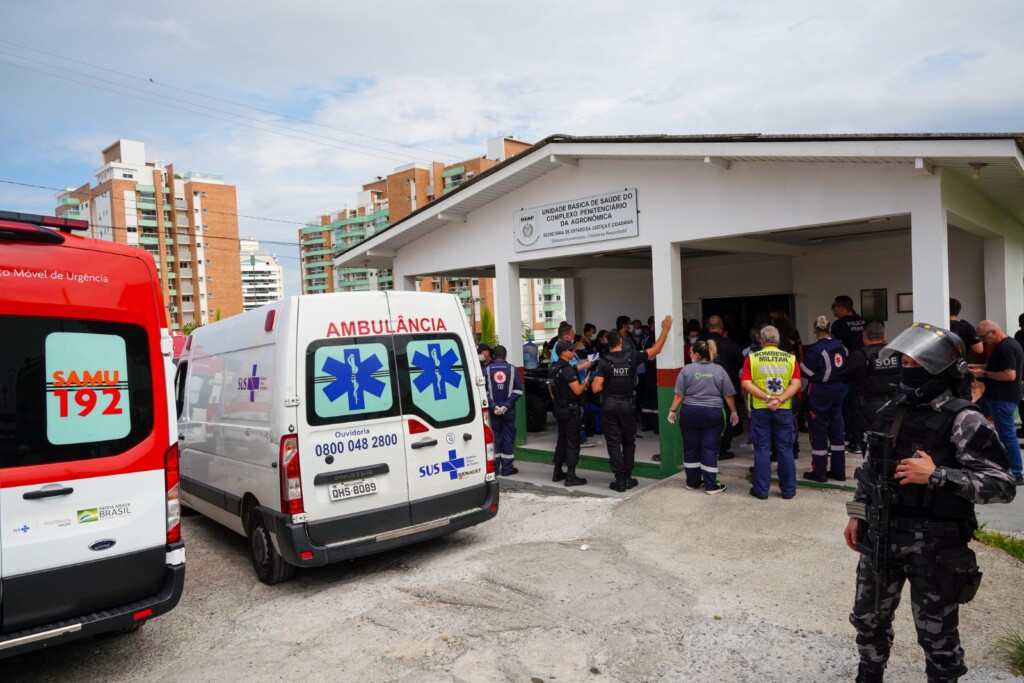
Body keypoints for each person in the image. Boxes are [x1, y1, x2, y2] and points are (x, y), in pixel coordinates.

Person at [845, 322, 1017, 683]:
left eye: (915, 362)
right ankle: (868, 676)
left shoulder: (963, 419)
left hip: (936, 545)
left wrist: (937, 475)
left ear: (941, 369)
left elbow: (1003, 485)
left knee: (938, 637)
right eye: (904, 361)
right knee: (868, 620)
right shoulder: (893, 409)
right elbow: (869, 471)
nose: (907, 367)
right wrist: (857, 515)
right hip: (882, 536)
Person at [591, 315, 673, 492]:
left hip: (609, 405)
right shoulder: (632, 356)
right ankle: (628, 478)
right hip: (627, 405)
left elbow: (595, 388)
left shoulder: (604, 361)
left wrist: (607, 383)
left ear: (608, 343)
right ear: (621, 341)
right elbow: (656, 349)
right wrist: (665, 330)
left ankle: (619, 480)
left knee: (613, 443)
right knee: (628, 441)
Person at [667, 339, 738, 494]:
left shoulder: (686, 370)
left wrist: (672, 411)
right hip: (713, 414)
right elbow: (728, 395)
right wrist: (734, 412)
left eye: (691, 352)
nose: (689, 354)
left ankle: (692, 483)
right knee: (710, 448)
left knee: (690, 447)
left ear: (697, 354)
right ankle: (711, 485)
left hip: (689, 413)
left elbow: (679, 394)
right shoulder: (719, 370)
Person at [740, 325, 801, 499]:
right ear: (779, 340)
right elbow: (796, 385)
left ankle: (761, 490)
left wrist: (767, 398)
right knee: (785, 449)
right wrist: (779, 399)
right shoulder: (790, 359)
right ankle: (788, 490)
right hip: (783, 409)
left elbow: (746, 383)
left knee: (761, 449)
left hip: (760, 409)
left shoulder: (752, 358)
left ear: (761, 340)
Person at [968, 320, 1024, 485]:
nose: (982, 340)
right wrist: (977, 367)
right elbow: (997, 366)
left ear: (993, 332)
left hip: (1002, 399)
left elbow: (1009, 375)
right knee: (972, 417)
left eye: (983, 337)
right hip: (993, 397)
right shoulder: (1004, 345)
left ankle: (1016, 473)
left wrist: (983, 373)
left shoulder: (1007, 347)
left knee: (1007, 435)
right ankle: (980, 456)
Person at [840, 320, 900, 456]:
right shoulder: (895, 353)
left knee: (869, 445)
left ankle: (872, 473)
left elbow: (843, 377)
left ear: (864, 336)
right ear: (883, 335)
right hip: (894, 405)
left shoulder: (859, 356)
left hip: (867, 407)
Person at [800, 315, 849, 483]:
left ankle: (820, 472)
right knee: (837, 429)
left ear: (815, 331)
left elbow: (805, 371)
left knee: (818, 430)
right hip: (837, 388)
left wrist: (818, 377)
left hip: (820, 390)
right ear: (830, 330)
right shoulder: (841, 346)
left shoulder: (815, 349)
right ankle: (839, 471)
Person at [549, 340, 590, 487]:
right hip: (570, 409)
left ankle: (557, 472)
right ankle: (571, 476)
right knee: (572, 442)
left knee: (562, 440)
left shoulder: (553, 367)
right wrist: (585, 382)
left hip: (559, 407)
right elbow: (577, 390)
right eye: (571, 351)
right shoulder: (568, 370)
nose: (574, 353)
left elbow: (551, 390)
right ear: (563, 353)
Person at [705, 315, 744, 460]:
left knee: (706, 415)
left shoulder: (700, 343)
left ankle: (707, 447)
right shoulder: (730, 343)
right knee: (726, 416)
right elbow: (741, 363)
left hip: (704, 386)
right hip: (726, 386)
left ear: (708, 326)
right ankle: (722, 449)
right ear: (721, 327)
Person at [832, 295, 867, 453]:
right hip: (865, 366)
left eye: (833, 306)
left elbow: (835, 348)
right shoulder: (864, 321)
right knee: (860, 405)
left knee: (847, 406)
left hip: (848, 368)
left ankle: (852, 440)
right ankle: (858, 439)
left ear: (841, 308)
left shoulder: (839, 324)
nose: (832, 310)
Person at [483, 345, 522, 476]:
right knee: (508, 438)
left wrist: (494, 406)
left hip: (493, 412)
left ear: (493, 356)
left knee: (493, 439)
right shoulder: (512, 369)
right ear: (505, 356)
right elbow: (518, 390)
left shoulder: (487, 370)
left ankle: (494, 469)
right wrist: (506, 405)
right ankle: (507, 469)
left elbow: (483, 392)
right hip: (508, 411)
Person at [948, 298, 983, 400]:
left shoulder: (937, 326)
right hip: (961, 370)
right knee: (963, 401)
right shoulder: (966, 326)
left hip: (940, 371)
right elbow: (979, 349)